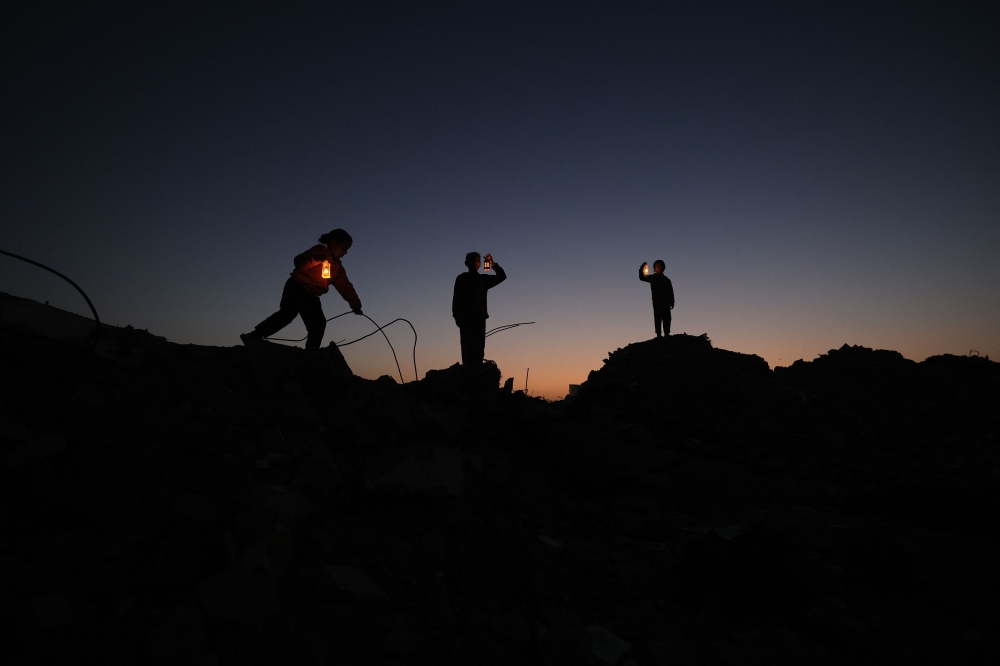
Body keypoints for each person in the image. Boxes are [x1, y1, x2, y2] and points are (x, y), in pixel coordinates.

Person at [241, 229, 363, 348]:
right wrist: (315, 259)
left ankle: (310, 354)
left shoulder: (338, 268)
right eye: (344, 248)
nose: (345, 252)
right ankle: (254, 336)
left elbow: (345, 287)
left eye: (347, 250)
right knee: (288, 313)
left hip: (312, 295)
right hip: (297, 286)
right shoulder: (319, 250)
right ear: (334, 242)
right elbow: (298, 261)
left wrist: (355, 305)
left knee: (318, 324)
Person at [452, 252, 506, 367]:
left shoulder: (483, 279)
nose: (476, 263)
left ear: (480, 264)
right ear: (466, 263)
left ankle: (476, 374)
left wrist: (492, 263)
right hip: (466, 320)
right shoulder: (461, 278)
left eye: (477, 260)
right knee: (467, 350)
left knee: (479, 349)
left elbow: (502, 276)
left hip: (479, 319)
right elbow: (456, 300)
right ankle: (469, 374)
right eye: (473, 260)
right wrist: (457, 318)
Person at [639, 260, 674, 338]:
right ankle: (658, 334)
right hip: (657, 301)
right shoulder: (653, 278)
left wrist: (672, 301)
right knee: (658, 317)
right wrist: (642, 268)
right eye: (657, 266)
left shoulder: (667, 280)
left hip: (666, 302)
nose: (659, 267)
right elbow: (641, 277)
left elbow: (670, 291)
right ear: (654, 268)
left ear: (664, 267)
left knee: (667, 318)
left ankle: (667, 333)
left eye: (661, 266)